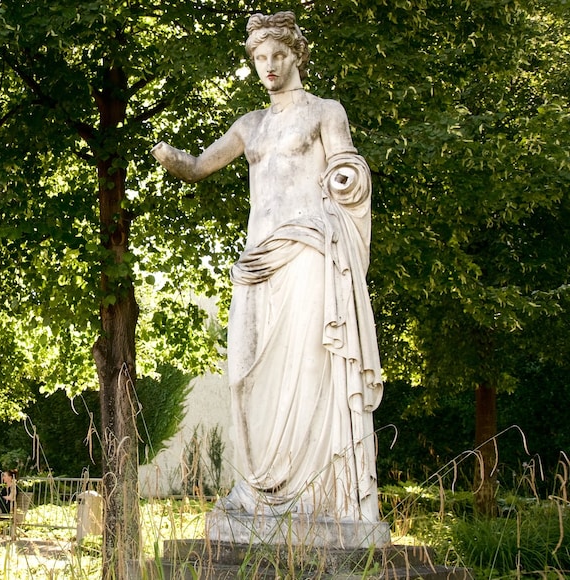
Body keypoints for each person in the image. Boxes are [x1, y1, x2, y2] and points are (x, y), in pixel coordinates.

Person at [152, 11, 383, 523]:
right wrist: (172, 158)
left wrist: (345, 180)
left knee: (308, 367)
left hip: (306, 250)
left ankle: (319, 497)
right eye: (259, 58)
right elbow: (199, 166)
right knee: (243, 375)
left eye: (277, 55)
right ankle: (260, 491)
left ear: (296, 54)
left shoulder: (325, 112)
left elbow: (345, 164)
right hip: (259, 261)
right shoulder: (250, 125)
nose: (268, 66)